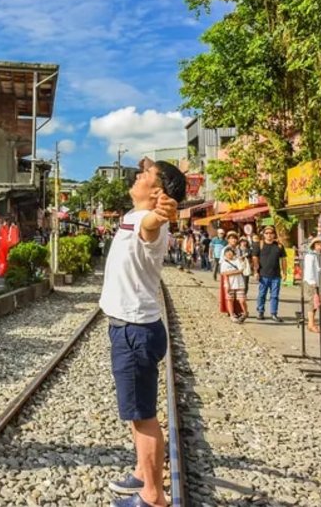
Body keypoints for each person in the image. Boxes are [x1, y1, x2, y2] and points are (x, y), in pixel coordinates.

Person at [101, 160, 186, 507]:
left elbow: (149, 227)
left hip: (134, 332)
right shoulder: (132, 216)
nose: (138, 175)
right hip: (132, 328)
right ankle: (141, 472)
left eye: (146, 174)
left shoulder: (146, 221)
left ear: (158, 191)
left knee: (143, 416)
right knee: (137, 413)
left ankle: (153, 496)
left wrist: (161, 214)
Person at [253, 226, 286, 322]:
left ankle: (274, 313)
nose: (269, 235)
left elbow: (283, 260)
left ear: (274, 234)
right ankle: (260, 312)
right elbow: (255, 259)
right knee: (262, 294)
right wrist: (255, 272)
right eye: (266, 233)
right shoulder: (259, 245)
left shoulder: (279, 246)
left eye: (271, 233)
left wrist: (284, 272)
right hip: (263, 274)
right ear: (263, 234)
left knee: (275, 295)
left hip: (276, 275)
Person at [303, 236, 321, 333]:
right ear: (314, 245)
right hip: (311, 282)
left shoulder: (319, 255)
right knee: (312, 303)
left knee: (316, 303)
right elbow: (309, 271)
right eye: (317, 244)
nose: (320, 246)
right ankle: (311, 323)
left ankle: (312, 322)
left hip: (317, 282)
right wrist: (312, 282)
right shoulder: (310, 256)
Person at [221, 246, 248, 323]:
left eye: (230, 252)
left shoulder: (237, 261)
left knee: (242, 300)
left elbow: (241, 270)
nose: (229, 254)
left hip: (239, 283)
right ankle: (232, 315)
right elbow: (223, 273)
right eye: (227, 252)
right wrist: (235, 271)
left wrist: (229, 273)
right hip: (229, 284)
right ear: (225, 254)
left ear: (233, 253)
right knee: (230, 300)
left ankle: (245, 313)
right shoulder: (224, 263)